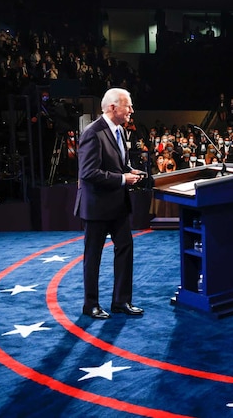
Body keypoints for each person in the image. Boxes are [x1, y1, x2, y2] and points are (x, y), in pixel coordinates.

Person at [73, 88, 145, 319]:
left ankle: (121, 302)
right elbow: (88, 173)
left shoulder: (120, 132)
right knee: (93, 256)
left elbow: (117, 165)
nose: (131, 110)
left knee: (125, 249)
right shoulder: (92, 133)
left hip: (117, 205)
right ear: (113, 107)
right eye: (128, 106)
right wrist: (123, 179)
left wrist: (129, 171)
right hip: (96, 206)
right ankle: (90, 304)